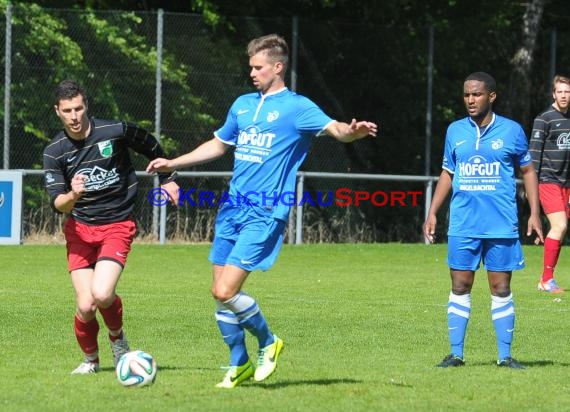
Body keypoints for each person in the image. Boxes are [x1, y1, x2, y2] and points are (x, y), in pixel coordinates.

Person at [146, 34, 377, 388]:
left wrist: (353, 132)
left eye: (258, 67)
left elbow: (337, 130)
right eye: (250, 67)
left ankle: (269, 342)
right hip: (233, 208)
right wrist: (172, 162)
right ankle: (238, 364)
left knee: (226, 291)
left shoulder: (298, 107)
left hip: (265, 212)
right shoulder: (242, 104)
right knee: (218, 293)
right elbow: (219, 144)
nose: (252, 73)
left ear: (278, 67)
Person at [43, 80, 179, 374]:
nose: (74, 116)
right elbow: (58, 204)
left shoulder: (115, 130)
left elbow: (151, 146)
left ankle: (118, 340)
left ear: (86, 106)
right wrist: (74, 195)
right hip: (80, 230)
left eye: (79, 108)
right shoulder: (54, 151)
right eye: (67, 110)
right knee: (86, 305)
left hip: (117, 224)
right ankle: (90, 361)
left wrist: (168, 179)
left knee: (102, 294)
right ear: (58, 111)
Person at [423, 72, 543, 369]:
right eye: (466, 95)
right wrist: (433, 211)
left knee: (500, 287)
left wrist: (535, 213)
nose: (470, 100)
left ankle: (505, 357)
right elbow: (447, 173)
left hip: (501, 223)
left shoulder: (512, 131)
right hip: (464, 223)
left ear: (491, 96)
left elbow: (528, 171)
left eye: (476, 94)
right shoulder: (455, 131)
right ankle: (456, 354)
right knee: (460, 285)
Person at [529, 75, 570, 293]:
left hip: (566, 184)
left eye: (567, 92)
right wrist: (530, 190)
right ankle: (546, 279)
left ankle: (547, 278)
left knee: (560, 230)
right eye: (560, 92)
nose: (564, 95)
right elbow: (532, 156)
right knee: (560, 226)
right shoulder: (544, 118)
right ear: (554, 94)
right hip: (547, 181)